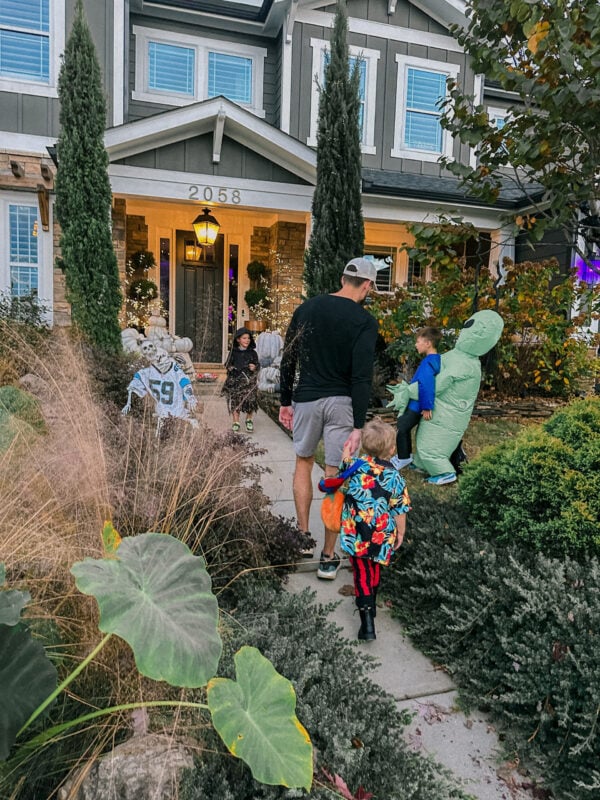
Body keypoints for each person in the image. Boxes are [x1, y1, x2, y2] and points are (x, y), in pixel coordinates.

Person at [279, 257, 379, 579]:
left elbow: (288, 358)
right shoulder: (365, 321)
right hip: (342, 403)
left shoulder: (307, 309)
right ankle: (327, 556)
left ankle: (303, 539)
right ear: (367, 286)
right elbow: (361, 377)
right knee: (336, 475)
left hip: (307, 398)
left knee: (304, 462)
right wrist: (358, 425)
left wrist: (285, 401)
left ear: (342, 278)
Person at [339, 417, 411, 641]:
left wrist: (347, 450)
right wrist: (401, 532)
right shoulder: (396, 478)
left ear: (364, 446)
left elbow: (344, 463)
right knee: (374, 567)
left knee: (361, 573)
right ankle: (372, 604)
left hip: (357, 533)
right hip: (381, 534)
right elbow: (399, 510)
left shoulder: (355, 466)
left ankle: (367, 623)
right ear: (391, 449)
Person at [392, 327, 442, 470]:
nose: (416, 344)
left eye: (418, 341)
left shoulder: (428, 362)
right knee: (403, 426)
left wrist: (427, 406)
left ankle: (403, 458)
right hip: (420, 402)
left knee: (402, 427)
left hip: (417, 404)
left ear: (428, 343)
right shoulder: (437, 359)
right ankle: (405, 456)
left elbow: (426, 384)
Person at [222, 327, 259, 432]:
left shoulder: (253, 353)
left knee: (250, 400)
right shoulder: (233, 352)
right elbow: (227, 364)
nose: (247, 340)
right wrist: (231, 368)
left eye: (248, 338)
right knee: (235, 400)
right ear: (238, 339)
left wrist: (254, 367)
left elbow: (257, 364)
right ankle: (236, 421)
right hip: (236, 380)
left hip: (249, 380)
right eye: (244, 338)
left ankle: (249, 419)